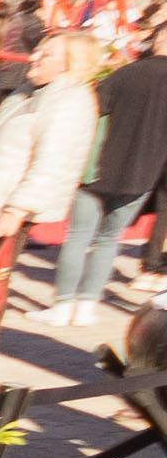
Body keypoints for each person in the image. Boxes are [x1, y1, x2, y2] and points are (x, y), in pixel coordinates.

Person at [0, 30, 104, 269]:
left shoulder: (68, 102)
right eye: (37, 50)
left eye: (46, 54)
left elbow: (51, 163)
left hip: (5, 204)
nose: (34, 57)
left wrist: (16, 210)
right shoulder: (30, 92)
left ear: (69, 64)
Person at [52, 22, 167, 324]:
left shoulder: (127, 73)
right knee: (109, 239)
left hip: (100, 169)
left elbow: (93, 109)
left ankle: (64, 304)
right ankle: (88, 305)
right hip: (144, 174)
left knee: (78, 237)